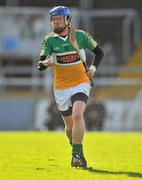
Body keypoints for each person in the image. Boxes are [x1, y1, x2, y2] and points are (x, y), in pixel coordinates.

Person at [38, 6, 104, 168]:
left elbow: (99, 52)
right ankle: (77, 150)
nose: (56, 22)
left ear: (68, 20)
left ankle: (76, 155)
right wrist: (44, 63)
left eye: (59, 19)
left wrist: (93, 69)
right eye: (53, 19)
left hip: (80, 83)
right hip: (61, 88)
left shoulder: (80, 36)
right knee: (69, 126)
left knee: (77, 115)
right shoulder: (49, 40)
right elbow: (41, 61)